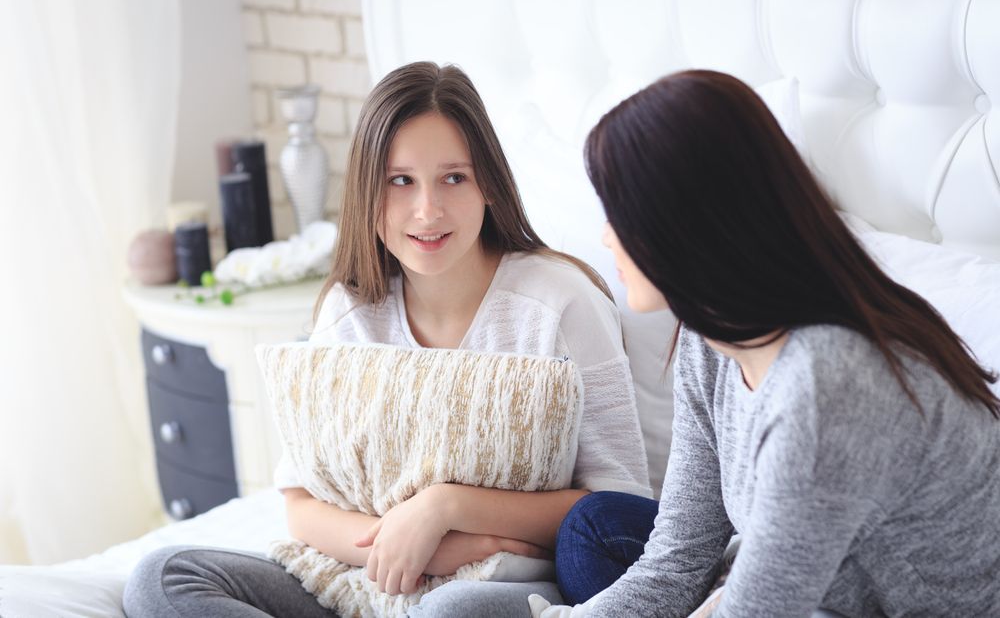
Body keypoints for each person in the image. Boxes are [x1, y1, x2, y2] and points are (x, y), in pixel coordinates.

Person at [122, 61, 651, 618]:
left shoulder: (559, 303)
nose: (428, 211)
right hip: (361, 577)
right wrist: (422, 546)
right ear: (367, 192)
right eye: (401, 181)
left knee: (449, 613)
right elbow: (300, 503)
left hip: (497, 584)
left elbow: (619, 505)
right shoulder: (348, 310)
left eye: (454, 177)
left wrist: (446, 508)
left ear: (489, 185)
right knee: (164, 578)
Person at [537, 70, 1000, 617]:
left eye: (620, 211)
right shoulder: (709, 338)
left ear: (685, 220)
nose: (606, 236)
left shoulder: (828, 382)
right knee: (564, 546)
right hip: (805, 591)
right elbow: (677, 562)